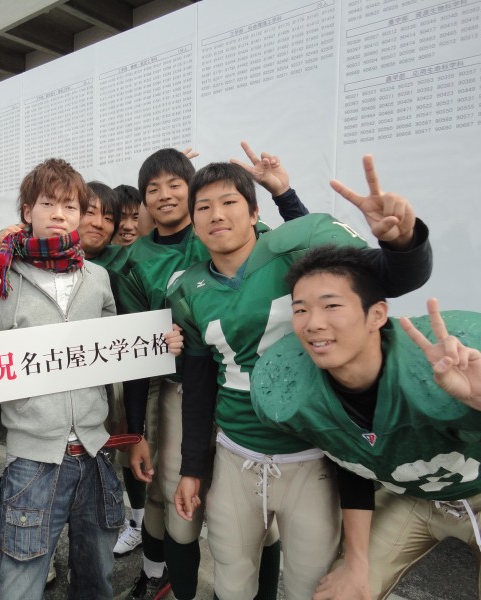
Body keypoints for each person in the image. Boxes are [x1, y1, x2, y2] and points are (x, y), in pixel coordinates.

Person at [168, 154, 432, 600]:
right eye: (204, 207)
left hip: (313, 454)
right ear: (193, 223)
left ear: (255, 211)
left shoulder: (295, 254)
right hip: (235, 453)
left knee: (310, 587)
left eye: (229, 202)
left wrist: (402, 241)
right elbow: (198, 385)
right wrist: (193, 467)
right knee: (232, 584)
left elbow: (390, 277)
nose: (216, 215)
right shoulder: (186, 289)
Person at [0, 158, 158, 600]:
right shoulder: (1, 280)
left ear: (80, 214)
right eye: (48, 203)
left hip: (96, 455)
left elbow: (114, 358)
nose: (59, 213)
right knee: (19, 585)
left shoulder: (98, 278)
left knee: (97, 580)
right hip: (33, 461)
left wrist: (158, 344)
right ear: (28, 211)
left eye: (70, 205)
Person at [120, 143, 308, 600]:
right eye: (153, 188)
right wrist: (135, 431)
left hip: (245, 389)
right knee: (179, 498)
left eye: (176, 185)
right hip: (182, 390)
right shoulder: (135, 260)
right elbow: (135, 350)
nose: (165, 195)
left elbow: (305, 245)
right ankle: (170, 583)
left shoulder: (228, 229)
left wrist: (283, 193)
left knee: (259, 509)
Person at [252, 246, 481, 600]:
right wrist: (356, 564)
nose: (313, 323)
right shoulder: (294, 390)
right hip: (410, 498)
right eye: (300, 310)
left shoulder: (450, 365)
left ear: (376, 315)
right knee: (344, 592)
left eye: (331, 305)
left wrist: (477, 400)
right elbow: (353, 464)